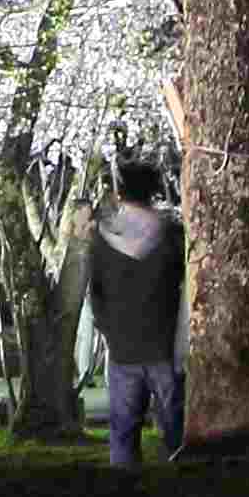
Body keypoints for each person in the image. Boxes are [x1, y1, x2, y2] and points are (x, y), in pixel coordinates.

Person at [87, 160, 187, 468]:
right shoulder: (170, 234)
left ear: (121, 193)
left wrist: (108, 329)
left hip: (122, 347)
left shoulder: (104, 238)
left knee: (123, 431)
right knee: (175, 427)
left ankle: (123, 494)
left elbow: (96, 293)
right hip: (163, 343)